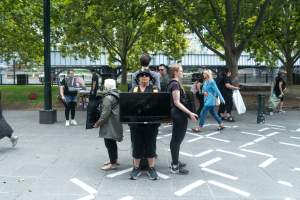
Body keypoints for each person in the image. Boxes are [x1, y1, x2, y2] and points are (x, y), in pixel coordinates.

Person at [129, 70, 160, 180]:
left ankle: (151, 168)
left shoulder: (155, 89)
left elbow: (158, 104)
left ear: (150, 78)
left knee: (151, 144)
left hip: (151, 124)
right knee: (136, 144)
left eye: (147, 75)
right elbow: (129, 104)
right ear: (138, 79)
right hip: (136, 123)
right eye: (141, 76)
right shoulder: (133, 89)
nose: (144, 77)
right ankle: (136, 167)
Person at [167, 64, 198, 175]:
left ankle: (175, 161)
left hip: (178, 114)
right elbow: (177, 102)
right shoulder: (175, 84)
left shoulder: (173, 83)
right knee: (176, 140)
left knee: (176, 140)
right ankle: (175, 166)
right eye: (181, 70)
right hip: (178, 115)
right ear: (175, 72)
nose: (182, 72)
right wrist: (190, 113)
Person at [94, 79, 123, 171]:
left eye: (105, 85)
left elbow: (105, 113)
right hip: (117, 121)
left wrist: (98, 123)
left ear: (107, 86)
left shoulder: (108, 97)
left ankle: (113, 163)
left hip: (109, 123)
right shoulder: (119, 94)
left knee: (109, 143)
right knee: (112, 142)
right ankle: (113, 160)